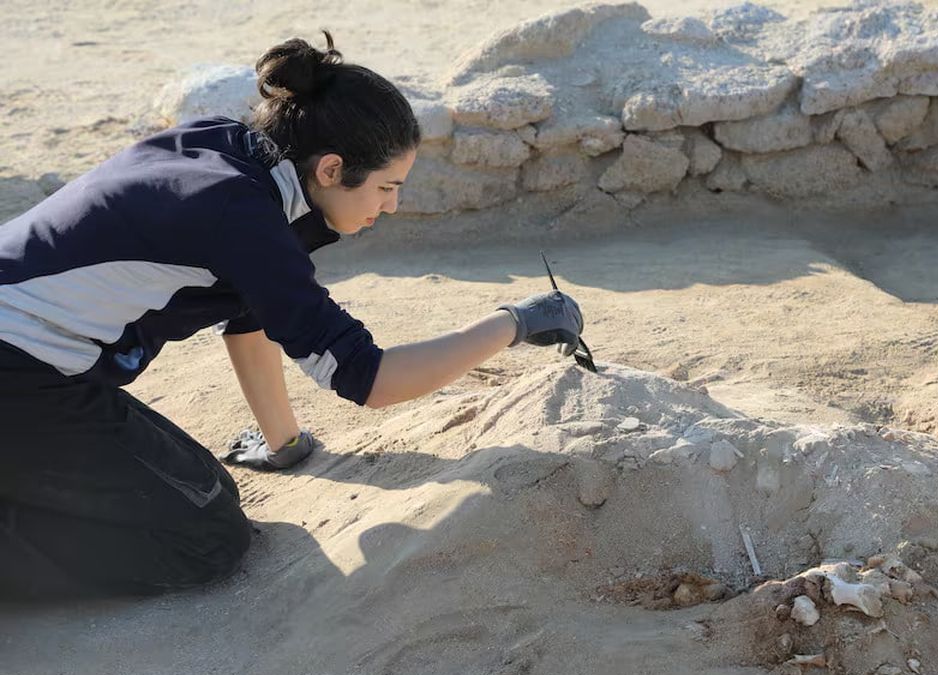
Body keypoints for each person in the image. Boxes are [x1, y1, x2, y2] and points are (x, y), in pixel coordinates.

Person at [0, 33, 585, 600]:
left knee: (207, 493)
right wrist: (516, 322)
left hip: (42, 365)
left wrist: (284, 443)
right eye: (386, 187)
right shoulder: (243, 217)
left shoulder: (238, 152)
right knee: (206, 538)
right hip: (20, 371)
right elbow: (369, 378)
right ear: (331, 169)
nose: (393, 205)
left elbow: (249, 313)